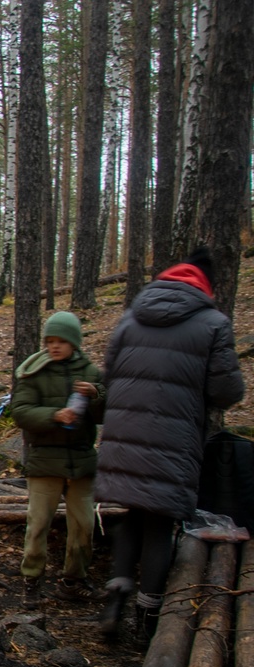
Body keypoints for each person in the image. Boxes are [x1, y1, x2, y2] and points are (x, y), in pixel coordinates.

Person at [95, 247, 245, 640]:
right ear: (206, 283)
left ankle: (116, 595)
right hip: (173, 437)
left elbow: (109, 374)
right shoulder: (213, 322)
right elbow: (227, 389)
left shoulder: (130, 319)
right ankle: (147, 615)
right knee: (159, 521)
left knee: (131, 514)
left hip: (125, 432)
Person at [11, 312, 106, 609]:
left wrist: (96, 396)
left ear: (73, 342)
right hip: (44, 462)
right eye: (50, 341)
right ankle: (31, 580)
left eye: (60, 341)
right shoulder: (34, 373)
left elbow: (105, 414)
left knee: (83, 525)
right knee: (38, 523)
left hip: (81, 462)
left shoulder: (91, 373)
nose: (54, 346)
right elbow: (21, 412)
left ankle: (73, 581)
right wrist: (54, 415)